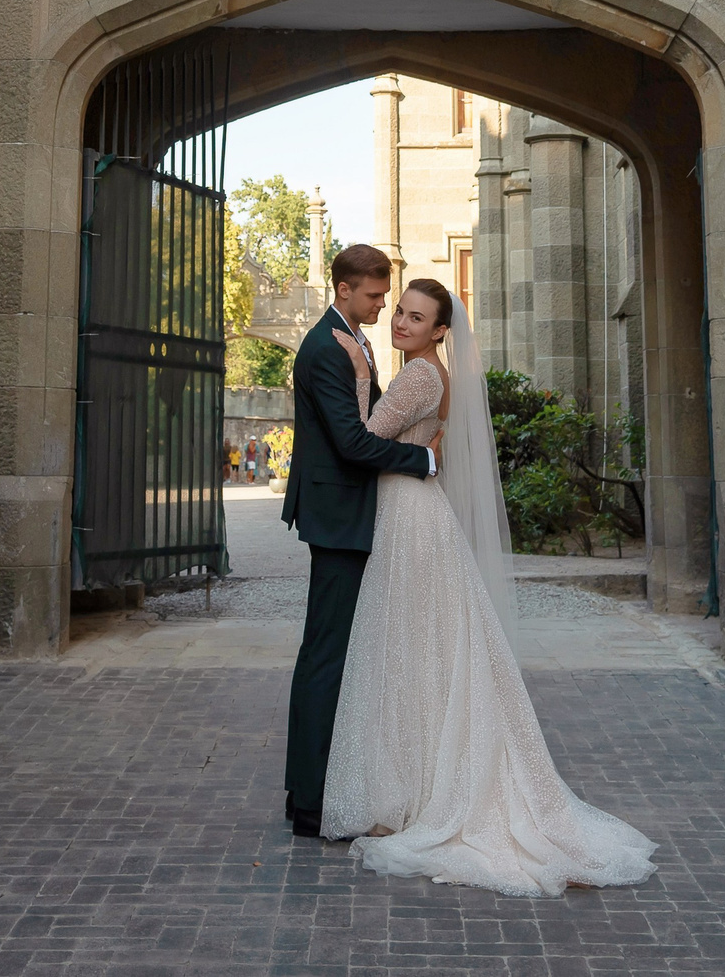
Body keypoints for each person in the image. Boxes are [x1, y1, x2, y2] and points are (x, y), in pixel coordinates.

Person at [321, 277, 657, 896]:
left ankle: (422, 790)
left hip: (410, 515)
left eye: (415, 318)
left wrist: (355, 372)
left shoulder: (420, 375)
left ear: (439, 332)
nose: (400, 322)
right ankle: (415, 779)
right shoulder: (427, 371)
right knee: (421, 648)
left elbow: (364, 437)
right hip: (411, 510)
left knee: (413, 645)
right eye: (398, 311)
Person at [281, 244, 440, 841]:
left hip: (352, 511)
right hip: (339, 514)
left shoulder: (352, 342)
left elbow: (367, 417)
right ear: (344, 289)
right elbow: (352, 442)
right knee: (325, 656)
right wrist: (422, 458)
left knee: (340, 655)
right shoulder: (327, 347)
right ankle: (309, 803)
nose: (382, 308)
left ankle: (318, 788)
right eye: (375, 297)